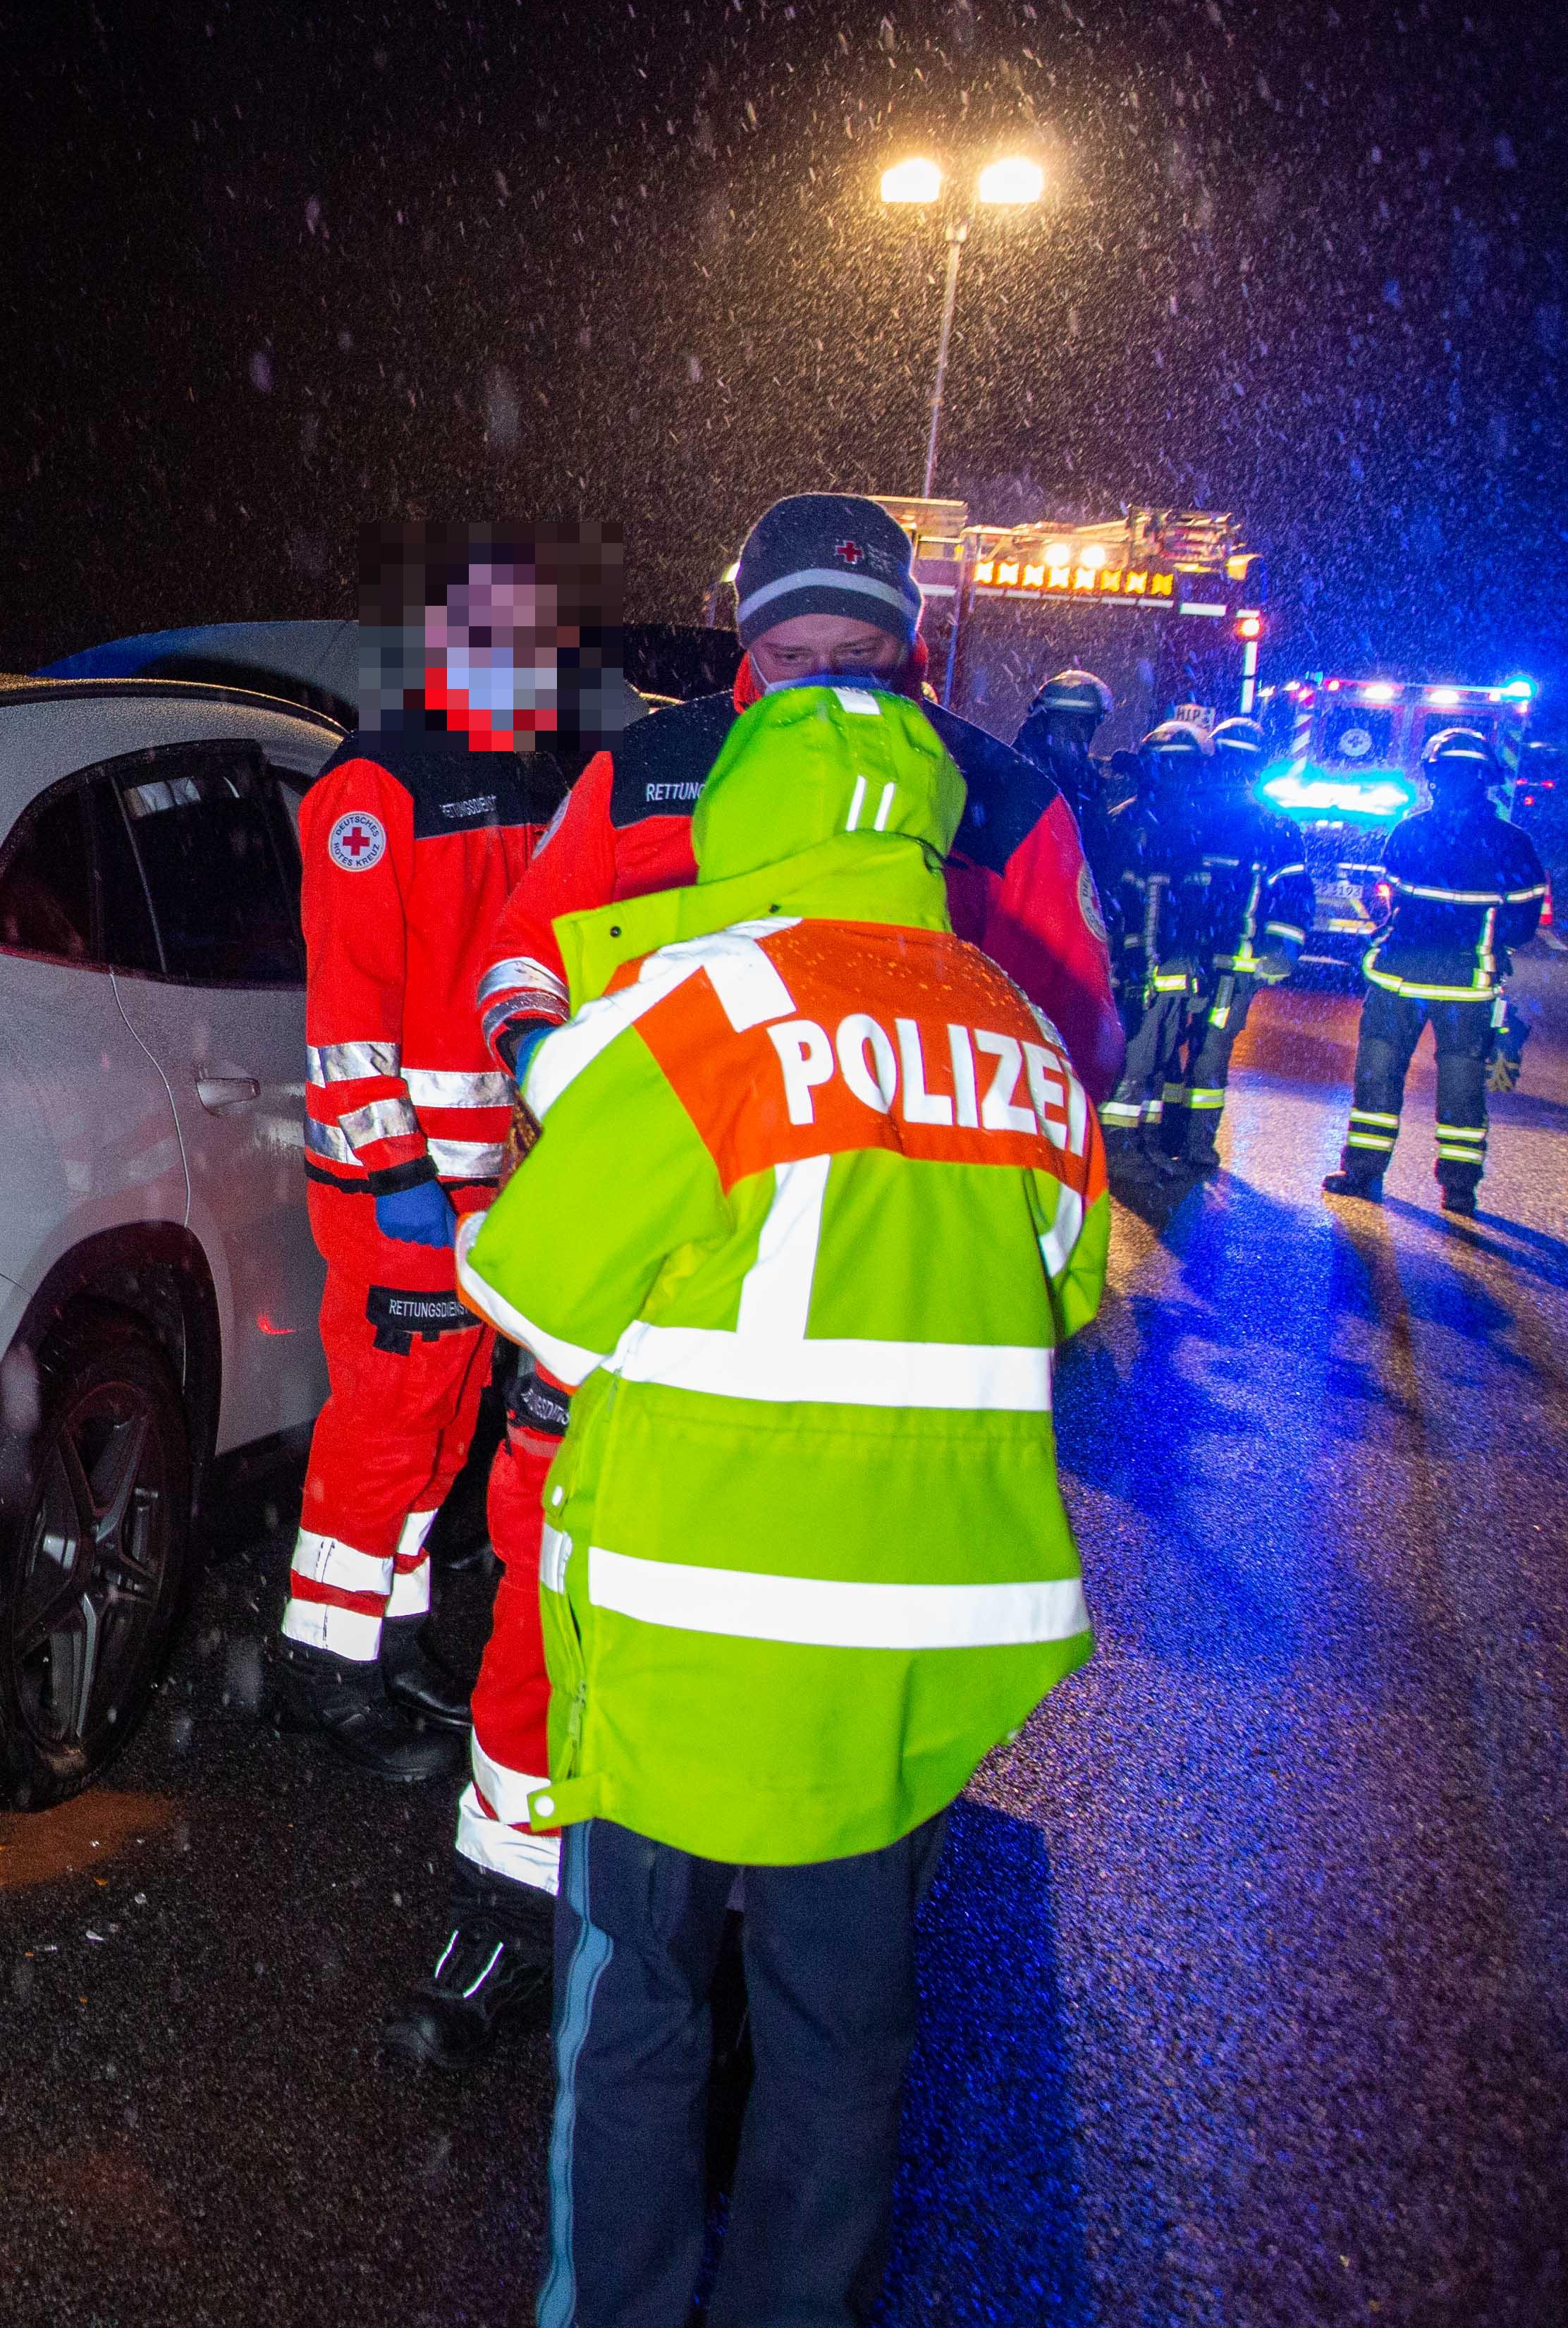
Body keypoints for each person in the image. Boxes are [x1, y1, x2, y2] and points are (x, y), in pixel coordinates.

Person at [392, 494, 1120, 2073]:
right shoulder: (649, 769)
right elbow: (522, 958)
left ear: (914, 649)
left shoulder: (998, 806)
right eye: (791, 652)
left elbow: (1077, 1047)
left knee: (829, 1686)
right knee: (550, 1612)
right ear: (744, 644)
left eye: (856, 655)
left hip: (868, 1359)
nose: (821, 686)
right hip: (632, 1287)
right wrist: (561, 1070)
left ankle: (756, 1991)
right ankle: (514, 1908)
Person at [452, 676, 1109, 2328]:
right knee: (838, 2036)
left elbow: (528, 1286)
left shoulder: (715, 1009)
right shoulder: (1018, 1042)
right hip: (899, 1649)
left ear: (748, 811)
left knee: (641, 2010)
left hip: (687, 1628)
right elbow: (1061, 1289)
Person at [274, 544, 581, 1782]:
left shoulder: (514, 780)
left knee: (444, 1433)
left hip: (482, 1192)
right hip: (397, 1194)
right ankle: (323, 1673)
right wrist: (395, 1173)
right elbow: (347, 1017)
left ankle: (383, 1647)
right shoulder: (372, 790)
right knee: (385, 1435)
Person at [1327, 726, 1548, 1216]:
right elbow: (1525, 922)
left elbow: (1386, 896)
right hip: (1469, 986)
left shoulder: (1411, 831)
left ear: (1434, 778)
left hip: (1398, 979)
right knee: (1463, 1086)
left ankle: (1362, 1173)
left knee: (1379, 1078)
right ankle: (1460, 1188)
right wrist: (1484, 940)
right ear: (1485, 780)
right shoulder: (1514, 844)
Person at [1166, 715, 1309, 1171]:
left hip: (1222, 961)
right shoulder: (1197, 815)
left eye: (1241, 763)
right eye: (1229, 760)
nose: (1234, 770)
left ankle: (1187, 1143)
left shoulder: (1265, 827)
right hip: (1194, 956)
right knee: (1180, 1048)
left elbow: (1293, 896)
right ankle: (1178, 1140)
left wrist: (1282, 948)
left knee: (1196, 1051)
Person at [1097, 716, 1226, 1155]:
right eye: (1171, 767)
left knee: (1155, 1058)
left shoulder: (1178, 823)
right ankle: (1120, 1148)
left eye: (1184, 768)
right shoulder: (1137, 823)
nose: (1180, 778)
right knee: (1139, 1056)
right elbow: (1121, 897)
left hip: (1170, 962)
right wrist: (1139, 962)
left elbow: (1192, 901)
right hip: (1143, 965)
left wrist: (1195, 958)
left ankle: (1141, 1146)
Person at [1013, 666, 1119, 848]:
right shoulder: (1023, 775)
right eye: (1082, 725)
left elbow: (1097, 847)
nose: (1083, 736)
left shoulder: (1082, 779)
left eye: (1088, 727)